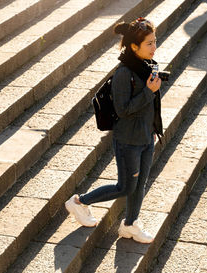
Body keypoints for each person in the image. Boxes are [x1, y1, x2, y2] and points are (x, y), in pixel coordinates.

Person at [65, 17, 163, 244]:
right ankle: (79, 202)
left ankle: (130, 225)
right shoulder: (123, 74)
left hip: (146, 135)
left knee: (140, 184)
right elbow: (123, 109)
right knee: (125, 186)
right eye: (149, 43)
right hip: (128, 140)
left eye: (154, 41)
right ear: (134, 47)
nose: (154, 47)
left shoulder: (147, 66)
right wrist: (149, 91)